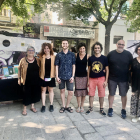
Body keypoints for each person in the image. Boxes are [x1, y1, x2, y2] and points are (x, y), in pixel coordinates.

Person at [107, 40, 133, 119]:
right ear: (116, 44)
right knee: (111, 93)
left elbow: (131, 66)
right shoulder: (111, 54)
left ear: (124, 45)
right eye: (119, 44)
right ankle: (110, 108)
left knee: (124, 95)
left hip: (124, 79)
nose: (121, 46)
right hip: (112, 78)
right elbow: (107, 66)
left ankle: (123, 110)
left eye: (122, 44)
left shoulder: (128, 54)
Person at [86, 42, 109, 116]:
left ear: (101, 49)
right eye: (95, 48)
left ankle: (101, 108)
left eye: (98, 48)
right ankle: (91, 107)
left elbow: (107, 69)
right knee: (91, 94)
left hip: (101, 78)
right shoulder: (90, 58)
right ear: (93, 49)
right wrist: (88, 80)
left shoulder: (104, 58)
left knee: (101, 95)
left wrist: (106, 81)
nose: (97, 49)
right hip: (92, 79)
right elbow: (89, 69)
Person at [18, 46, 41, 116]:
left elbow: (41, 69)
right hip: (26, 81)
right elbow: (19, 69)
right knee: (26, 94)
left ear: (34, 52)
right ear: (26, 52)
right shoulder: (22, 60)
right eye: (29, 50)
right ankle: (24, 109)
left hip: (36, 81)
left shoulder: (37, 60)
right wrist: (19, 78)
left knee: (34, 94)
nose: (31, 51)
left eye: (32, 50)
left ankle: (32, 107)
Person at [55, 39, 75, 113]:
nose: (65, 45)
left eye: (66, 43)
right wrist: (57, 76)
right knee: (62, 91)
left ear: (68, 44)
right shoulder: (58, 54)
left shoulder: (72, 54)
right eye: (63, 43)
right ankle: (63, 106)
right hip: (61, 76)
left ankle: (67, 106)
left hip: (70, 76)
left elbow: (74, 65)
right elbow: (56, 66)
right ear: (62, 44)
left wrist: (73, 76)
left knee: (70, 92)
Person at [39, 43, 56, 112]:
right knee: (43, 90)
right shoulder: (41, 57)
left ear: (50, 49)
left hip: (51, 76)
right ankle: (43, 105)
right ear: (43, 49)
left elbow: (56, 67)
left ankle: (51, 105)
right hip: (43, 76)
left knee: (50, 90)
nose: (46, 50)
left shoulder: (53, 57)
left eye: (47, 48)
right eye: (45, 48)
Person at [74, 43, 90, 113]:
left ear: (85, 49)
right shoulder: (76, 55)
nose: (82, 50)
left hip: (84, 76)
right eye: (80, 48)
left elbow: (89, 68)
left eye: (83, 48)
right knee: (78, 91)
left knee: (83, 91)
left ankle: (82, 106)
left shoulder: (88, 56)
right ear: (78, 49)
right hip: (77, 76)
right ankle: (78, 106)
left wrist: (89, 79)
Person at [130, 45, 140, 122]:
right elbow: (131, 73)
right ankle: (134, 115)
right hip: (135, 83)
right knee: (134, 99)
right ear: (137, 51)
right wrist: (131, 83)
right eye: (139, 49)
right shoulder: (133, 60)